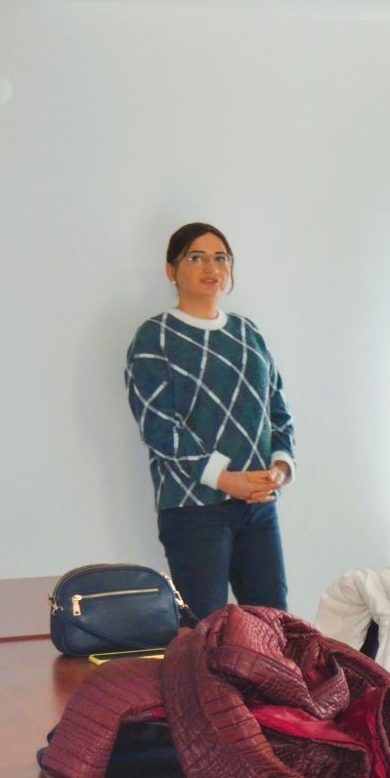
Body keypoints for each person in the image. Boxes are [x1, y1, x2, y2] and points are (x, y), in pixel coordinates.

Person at [124, 222, 294, 621]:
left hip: (257, 507)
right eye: (196, 258)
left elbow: (277, 408)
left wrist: (280, 468)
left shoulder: (247, 332)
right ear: (171, 270)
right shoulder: (155, 337)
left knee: (274, 626)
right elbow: (158, 427)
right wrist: (224, 478)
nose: (211, 268)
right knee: (206, 632)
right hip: (193, 510)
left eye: (221, 258)